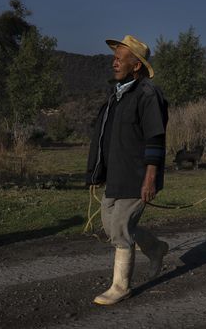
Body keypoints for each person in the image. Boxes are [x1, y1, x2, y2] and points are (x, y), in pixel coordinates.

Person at [86, 34, 170, 305]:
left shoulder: (147, 94)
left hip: (137, 174)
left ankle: (120, 286)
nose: (114, 63)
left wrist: (150, 177)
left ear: (136, 65)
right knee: (110, 225)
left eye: (120, 59)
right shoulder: (117, 94)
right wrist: (98, 172)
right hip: (116, 173)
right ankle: (156, 248)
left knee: (121, 226)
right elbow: (106, 138)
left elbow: (155, 138)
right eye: (114, 58)